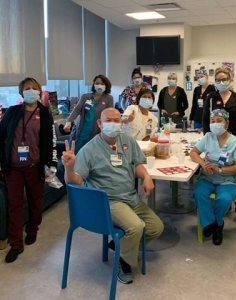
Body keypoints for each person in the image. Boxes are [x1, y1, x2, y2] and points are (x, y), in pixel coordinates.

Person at [62, 108, 164, 284]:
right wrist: (69, 167)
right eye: (109, 120)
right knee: (136, 227)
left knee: (156, 227)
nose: (114, 124)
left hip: (130, 198)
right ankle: (123, 261)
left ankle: (122, 248)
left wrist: (146, 176)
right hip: (109, 201)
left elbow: (137, 163)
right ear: (100, 124)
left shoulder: (128, 142)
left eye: (117, 120)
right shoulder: (90, 149)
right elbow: (75, 182)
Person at [0, 77, 57, 263]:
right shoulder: (13, 112)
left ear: (39, 91)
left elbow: (51, 141)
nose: (30, 91)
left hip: (35, 166)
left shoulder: (45, 113)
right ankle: (16, 243)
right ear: (21, 92)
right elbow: (1, 136)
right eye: (27, 88)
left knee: (34, 200)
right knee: (14, 205)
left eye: (34, 88)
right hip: (13, 168)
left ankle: (32, 229)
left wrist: (52, 165)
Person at [190, 109, 236, 246]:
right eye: (212, 121)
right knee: (199, 193)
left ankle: (214, 224)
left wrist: (219, 169)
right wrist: (203, 163)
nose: (215, 124)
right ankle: (215, 224)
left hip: (227, 180)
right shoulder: (208, 137)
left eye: (219, 121)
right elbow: (194, 153)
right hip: (208, 177)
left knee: (224, 199)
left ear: (226, 123)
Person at [202, 66, 236, 222]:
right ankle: (224, 204)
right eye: (218, 79)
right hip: (217, 142)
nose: (221, 82)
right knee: (217, 170)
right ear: (215, 81)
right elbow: (205, 120)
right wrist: (206, 139)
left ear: (230, 80)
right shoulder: (211, 98)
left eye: (224, 79)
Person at [64, 74, 113, 153]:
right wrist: (69, 121)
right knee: (73, 153)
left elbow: (109, 115)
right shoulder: (86, 96)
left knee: (90, 156)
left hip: (96, 132)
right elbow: (77, 109)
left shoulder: (108, 98)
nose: (99, 85)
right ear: (93, 84)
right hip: (81, 131)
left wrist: (104, 132)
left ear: (106, 85)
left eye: (102, 84)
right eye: (97, 83)